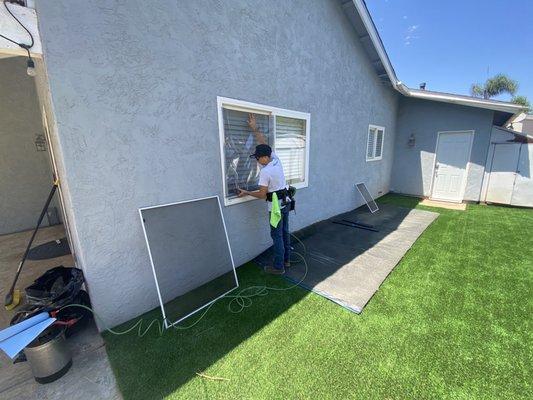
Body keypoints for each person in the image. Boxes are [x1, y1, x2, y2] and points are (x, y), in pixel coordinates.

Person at [238, 113, 290, 275]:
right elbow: (264, 143)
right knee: (284, 232)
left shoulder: (266, 172)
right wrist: (255, 129)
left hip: (275, 206)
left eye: (258, 158)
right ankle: (286, 260)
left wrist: (246, 192)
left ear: (265, 158)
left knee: (277, 236)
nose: (257, 161)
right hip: (286, 201)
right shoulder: (276, 160)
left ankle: (278, 267)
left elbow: (262, 195)